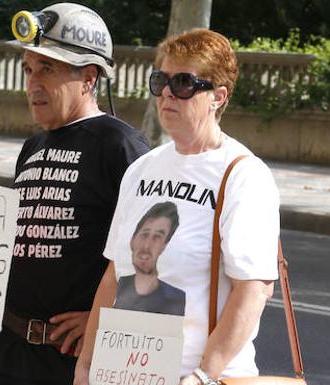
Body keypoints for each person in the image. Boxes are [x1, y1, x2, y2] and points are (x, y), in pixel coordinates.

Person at [0, 3, 150, 385]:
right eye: (29, 69)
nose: (33, 83)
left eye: (48, 69)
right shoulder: (32, 147)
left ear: (89, 77)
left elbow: (153, 251)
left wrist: (106, 318)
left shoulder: (122, 147)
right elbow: (14, 245)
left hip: (72, 361)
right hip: (8, 351)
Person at [75, 29, 279, 385]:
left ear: (218, 96)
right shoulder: (141, 169)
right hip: (124, 373)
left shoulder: (243, 174)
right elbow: (113, 276)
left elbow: (254, 289)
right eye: (161, 80)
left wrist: (203, 375)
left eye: (184, 83)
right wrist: (87, 363)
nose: (168, 92)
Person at [114, 201, 186, 316]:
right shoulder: (117, 286)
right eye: (144, 234)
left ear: (164, 245)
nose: (147, 245)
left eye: (158, 237)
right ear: (132, 240)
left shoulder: (177, 299)